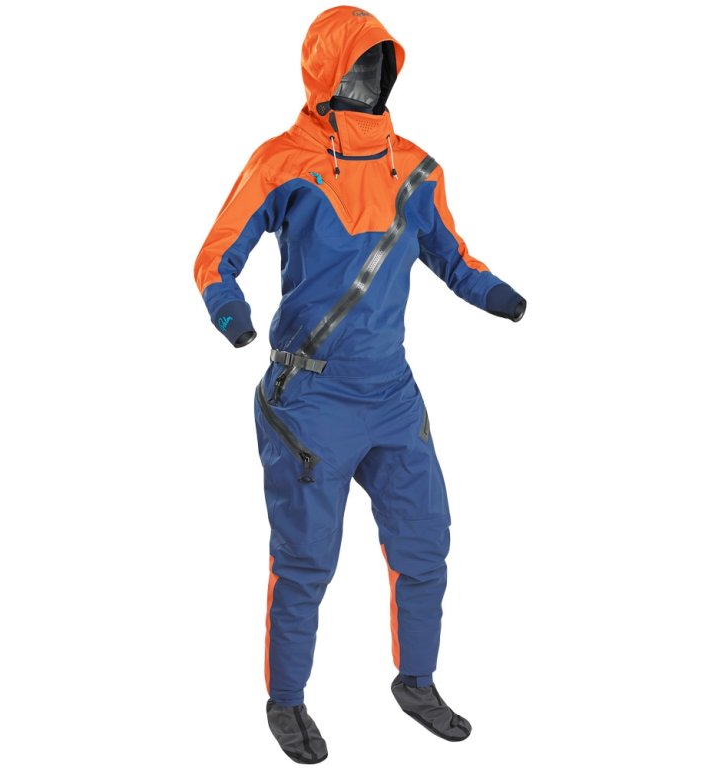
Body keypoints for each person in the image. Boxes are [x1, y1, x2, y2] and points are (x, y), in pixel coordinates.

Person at [193, 6, 526, 763]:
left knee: (426, 545)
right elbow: (215, 255)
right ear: (323, 72)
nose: (365, 79)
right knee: (306, 561)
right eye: (352, 66)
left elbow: (453, 257)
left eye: (377, 66)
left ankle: (417, 682)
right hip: (310, 399)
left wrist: (495, 294)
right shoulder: (283, 160)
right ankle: (286, 700)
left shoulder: (416, 167)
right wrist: (229, 311)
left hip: (392, 395)